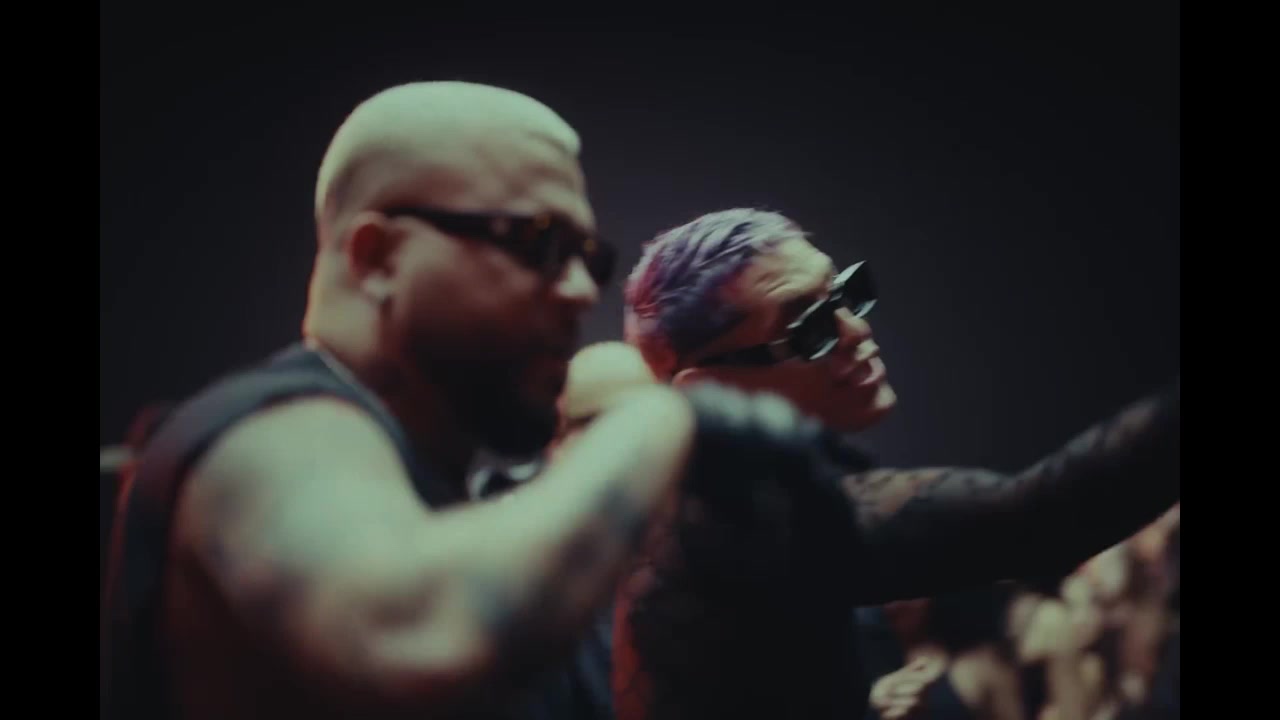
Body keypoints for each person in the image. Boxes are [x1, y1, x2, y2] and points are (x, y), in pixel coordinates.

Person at [100, 83, 810, 720]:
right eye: (537, 242)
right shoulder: (270, 434)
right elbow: (419, 636)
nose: (579, 290)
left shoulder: (432, 485)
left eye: (587, 258)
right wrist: (660, 418)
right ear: (377, 258)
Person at [613, 208, 1180, 718]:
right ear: (709, 388)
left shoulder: (728, 510)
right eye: (808, 329)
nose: (857, 330)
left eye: (845, 295)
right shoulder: (735, 526)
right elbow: (1042, 519)